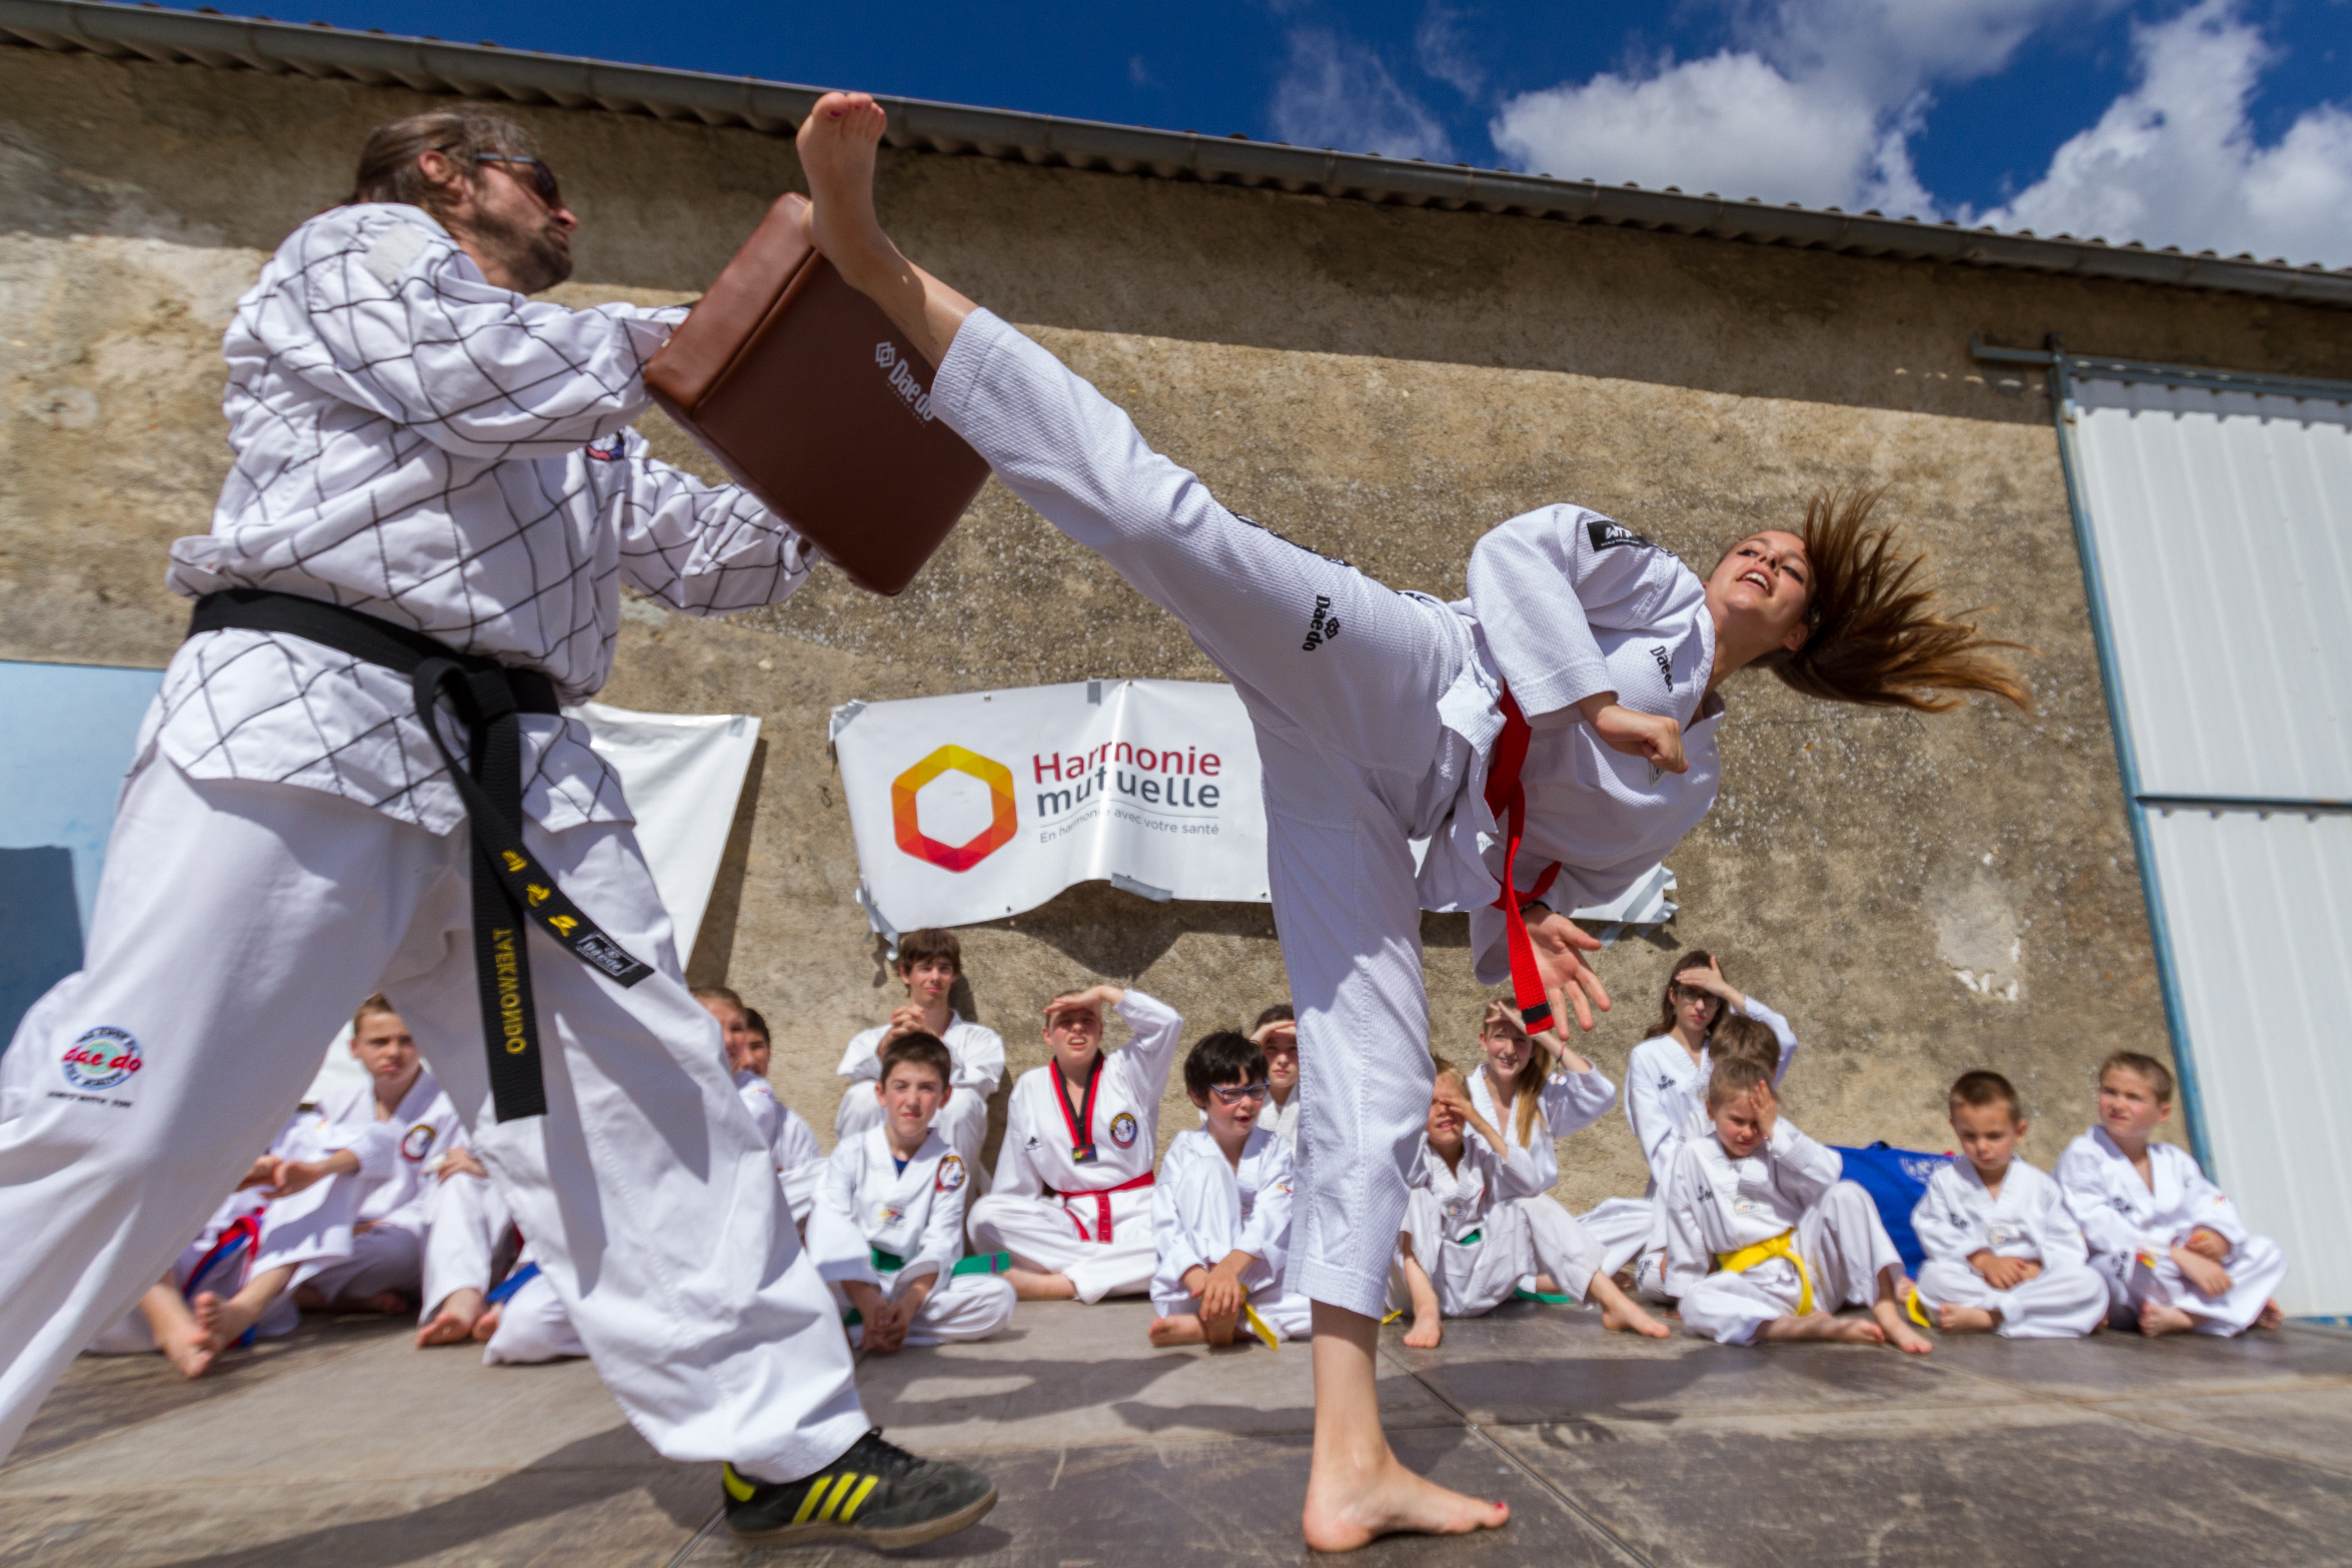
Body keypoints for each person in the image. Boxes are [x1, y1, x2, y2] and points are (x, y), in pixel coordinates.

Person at [793, 89, 2025, 1548]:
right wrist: (1577, 702)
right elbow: (1508, 552)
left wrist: (1530, 914)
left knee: (1373, 1099)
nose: (1760, 555)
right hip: (1391, 670)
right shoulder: (1637, 588)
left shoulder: (1687, 776)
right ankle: (872, 261)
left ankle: (1347, 1456)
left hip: (1367, 811)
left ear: (1806, 642)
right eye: (1757, 540)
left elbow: (1531, 858)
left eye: (1791, 577)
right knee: (1163, 520)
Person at [0, 106, 992, 1548]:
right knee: (131, 1112)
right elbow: (473, 372)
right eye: (544, 181)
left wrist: (877, 447)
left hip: (519, 767)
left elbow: (710, 559)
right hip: (308, 714)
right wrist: (742, 331)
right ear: (451, 176)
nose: (569, 212)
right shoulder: (360, 258)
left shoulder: (571, 420)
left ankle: (783, 1442)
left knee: (658, 1103)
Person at [1667, 1058, 1932, 1352]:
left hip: (1813, 1269)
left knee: (1847, 1194)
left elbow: (1828, 1172)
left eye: (1756, 1123)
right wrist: (1683, 1288)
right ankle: (1795, 1328)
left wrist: (1776, 1132)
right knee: (1696, 1301)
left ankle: (1886, 1313)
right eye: (1737, 1122)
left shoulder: (1775, 1143)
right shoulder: (1694, 1155)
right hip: (1753, 1285)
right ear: (1710, 1111)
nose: (1747, 1133)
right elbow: (1684, 1221)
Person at [1394, 1062, 1667, 1346]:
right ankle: (1427, 1312)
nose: (1444, 1111)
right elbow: (1399, 1172)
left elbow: (1529, 1183)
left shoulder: (1480, 1154)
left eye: (1453, 1103)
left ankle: (1613, 1303)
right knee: (1414, 1198)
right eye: (1432, 1104)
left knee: (1531, 1206)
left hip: (1473, 1286)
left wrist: (1482, 1125)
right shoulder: (1412, 1157)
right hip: (1418, 1290)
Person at [1586, 953, 1801, 1296]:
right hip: (1676, 1190)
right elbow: (1658, 1145)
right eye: (1691, 994)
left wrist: (1729, 992)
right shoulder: (1648, 1056)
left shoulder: (1730, 1053)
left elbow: (1785, 1041)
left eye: (1710, 997)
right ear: (1673, 996)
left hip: (1741, 1192)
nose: (1701, 1006)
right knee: (1658, 1273)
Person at [966, 984, 1184, 1302]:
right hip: (1071, 1221)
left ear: (1101, 1030)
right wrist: (1013, 1227)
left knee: (1183, 1238)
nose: (1078, 1027)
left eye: (1088, 1019)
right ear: (1047, 1035)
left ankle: (1058, 1284)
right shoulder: (1030, 1088)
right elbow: (1016, 1185)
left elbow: (1166, 1024)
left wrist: (1105, 993)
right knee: (984, 1217)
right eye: (1065, 1022)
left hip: (1139, 1213)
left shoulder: (1130, 1072)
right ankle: (1121, 1272)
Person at [2056, 1052, 2286, 1338]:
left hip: (2186, 1270)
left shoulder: (2175, 1161)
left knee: (2266, 1252)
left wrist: (2215, 1237)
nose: (2118, 1104)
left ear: (2162, 1113)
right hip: (2132, 1268)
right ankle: (2232, 1308)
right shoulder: (2083, 1153)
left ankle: (2187, 1317)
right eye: (2110, 1092)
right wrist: (2175, 1254)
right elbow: (2096, 1225)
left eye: (2134, 1097)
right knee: (2138, 1261)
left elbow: (2211, 1204)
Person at [814, 1032, 1014, 1352]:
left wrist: (908, 1305)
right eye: (901, 1086)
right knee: (803, 1293)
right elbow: (833, 1233)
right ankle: (874, 1323)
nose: (912, 1100)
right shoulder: (850, 1153)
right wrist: (867, 1302)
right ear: (881, 1093)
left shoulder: (949, 1163)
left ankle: (877, 1329)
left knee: (999, 1299)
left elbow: (942, 1241)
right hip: (853, 1283)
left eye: (927, 1088)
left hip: (913, 1282)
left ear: (945, 1098)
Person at [1909, 1071, 2105, 1338]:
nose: (1982, 1147)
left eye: (1994, 1136)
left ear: (2019, 1131)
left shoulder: (2040, 1185)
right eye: (1970, 1136)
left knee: (2090, 1284)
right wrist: (1982, 1259)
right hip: (1978, 1279)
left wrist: (2037, 1268)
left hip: (2030, 1281)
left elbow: (2065, 1241)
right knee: (1934, 1279)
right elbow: (1930, 1226)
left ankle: (1991, 1318)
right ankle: (2028, 1318)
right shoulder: (1945, 1182)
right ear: (1954, 1127)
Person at [1150, 1030, 1311, 1347]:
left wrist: (1230, 1272)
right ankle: (1222, 1315)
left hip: (1254, 1282)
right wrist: (1208, 1281)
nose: (1247, 1104)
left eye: (1256, 1091)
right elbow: (1167, 1228)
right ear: (1199, 1096)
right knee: (1210, 1171)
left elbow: (1272, 1216)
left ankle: (1212, 1327)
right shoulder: (1186, 1151)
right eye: (1232, 1094)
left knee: (1330, 1304)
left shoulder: (1275, 1148)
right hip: (1195, 1287)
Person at [836, 930, 1005, 1179]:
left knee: (961, 1102)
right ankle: (854, 1192)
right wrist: (884, 1051)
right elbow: (851, 1071)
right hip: (881, 1166)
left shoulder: (981, 1039)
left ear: (954, 975)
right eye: (925, 968)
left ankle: (954, 1207)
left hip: (947, 1168)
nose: (935, 977)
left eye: (944, 969)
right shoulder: (874, 1038)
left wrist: (933, 1042)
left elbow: (983, 1085)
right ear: (905, 974)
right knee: (862, 1096)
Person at [1251, 1005, 1302, 1152]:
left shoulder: (1321, 1096)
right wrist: (1250, 1049)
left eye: (1294, 1048)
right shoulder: (1240, 1095)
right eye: (1271, 1048)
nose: (1283, 1060)